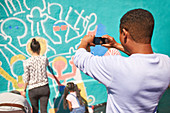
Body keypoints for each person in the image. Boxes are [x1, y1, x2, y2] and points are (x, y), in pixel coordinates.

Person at [73, 8, 170, 113]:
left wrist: (84, 41)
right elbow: (142, 56)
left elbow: (80, 58)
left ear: (124, 34)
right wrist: (115, 45)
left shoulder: (116, 66)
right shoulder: (166, 62)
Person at [23, 38, 50, 113]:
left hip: (33, 89)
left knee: (35, 110)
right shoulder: (44, 59)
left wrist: (24, 89)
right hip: (44, 87)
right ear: (40, 48)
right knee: (44, 110)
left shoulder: (27, 62)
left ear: (31, 50)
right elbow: (47, 65)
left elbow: (26, 77)